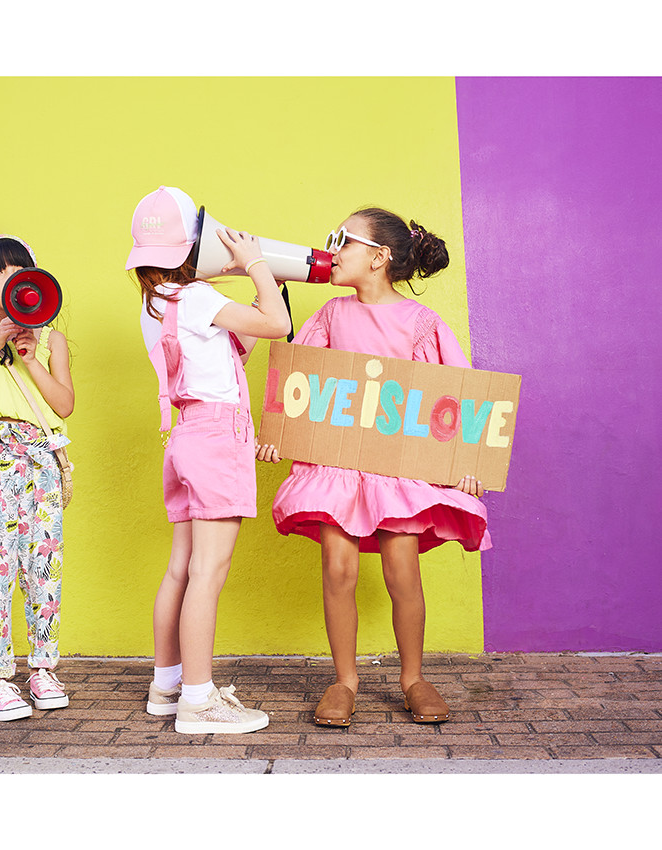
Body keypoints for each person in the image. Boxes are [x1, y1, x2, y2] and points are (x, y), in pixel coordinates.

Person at [259, 207, 490, 727]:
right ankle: (345, 680)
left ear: (379, 257)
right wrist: (278, 433)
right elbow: (299, 377)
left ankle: (413, 677)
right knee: (338, 569)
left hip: (395, 469)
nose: (332, 248)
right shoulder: (332, 316)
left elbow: (460, 396)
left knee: (402, 570)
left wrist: (467, 462)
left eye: (342, 239)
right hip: (339, 466)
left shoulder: (420, 324)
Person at [127, 186, 291, 734]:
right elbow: (276, 325)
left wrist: (255, 279)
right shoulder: (195, 298)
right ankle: (198, 701)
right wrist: (257, 264)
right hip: (217, 438)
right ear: (189, 250)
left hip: (185, 437)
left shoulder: (157, 305)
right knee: (208, 572)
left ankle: (167, 685)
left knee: (181, 568)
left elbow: (240, 334)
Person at [0, 234, 75, 722]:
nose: (5, 279)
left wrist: (27, 355)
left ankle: (42, 669)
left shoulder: (52, 339)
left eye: (15, 269)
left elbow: (63, 405)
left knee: (43, 562)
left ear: (32, 280)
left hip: (38, 451)